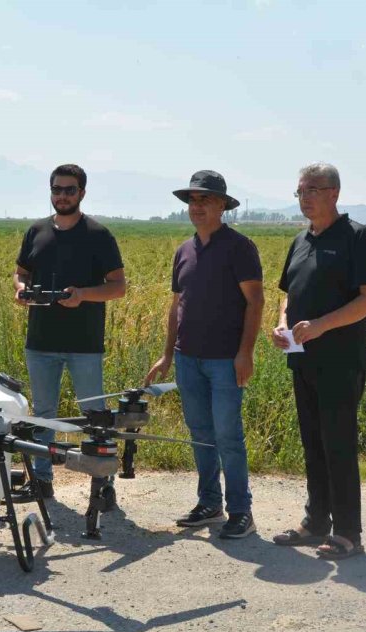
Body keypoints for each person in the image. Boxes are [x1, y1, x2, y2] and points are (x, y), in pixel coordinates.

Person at [270, 162, 366, 560]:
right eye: (300, 190)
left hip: (341, 359)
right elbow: (288, 293)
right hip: (302, 359)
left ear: (334, 193)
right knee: (313, 443)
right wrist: (283, 324)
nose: (305, 197)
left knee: (338, 443)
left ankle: (348, 532)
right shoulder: (301, 240)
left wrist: (320, 326)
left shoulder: (356, 237)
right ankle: (316, 521)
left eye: (313, 189)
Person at [145, 170, 263, 539]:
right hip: (187, 359)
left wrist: (245, 353)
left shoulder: (240, 248)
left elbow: (256, 302)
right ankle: (209, 503)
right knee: (201, 434)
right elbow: (176, 308)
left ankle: (241, 510)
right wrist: (166, 355)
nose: (197, 207)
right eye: (193, 200)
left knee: (228, 435)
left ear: (223, 206)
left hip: (225, 361)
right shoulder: (184, 250)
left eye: (206, 200)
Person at [14, 164, 126, 498]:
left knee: (94, 416)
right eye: (57, 190)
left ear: (82, 193)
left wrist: (82, 295)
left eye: (69, 190)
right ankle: (42, 480)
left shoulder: (98, 235)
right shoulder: (36, 232)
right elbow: (20, 272)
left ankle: (101, 483)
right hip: (41, 341)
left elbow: (118, 286)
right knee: (43, 415)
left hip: (84, 344)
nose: (62, 196)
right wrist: (21, 290)